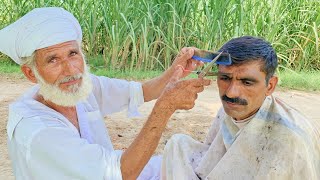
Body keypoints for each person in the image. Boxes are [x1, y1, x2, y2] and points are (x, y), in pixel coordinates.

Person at [0, 7, 211, 180]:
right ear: (30, 73)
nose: (70, 69)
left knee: (178, 166)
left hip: (111, 171)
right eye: (53, 60)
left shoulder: (80, 87)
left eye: (73, 54)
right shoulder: (38, 130)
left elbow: (139, 92)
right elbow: (122, 173)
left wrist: (174, 72)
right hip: (116, 173)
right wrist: (165, 107)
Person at [161, 36, 320, 179]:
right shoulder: (228, 110)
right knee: (177, 144)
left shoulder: (288, 140)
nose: (231, 93)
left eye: (247, 82)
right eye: (225, 78)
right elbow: (211, 157)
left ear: (270, 86)